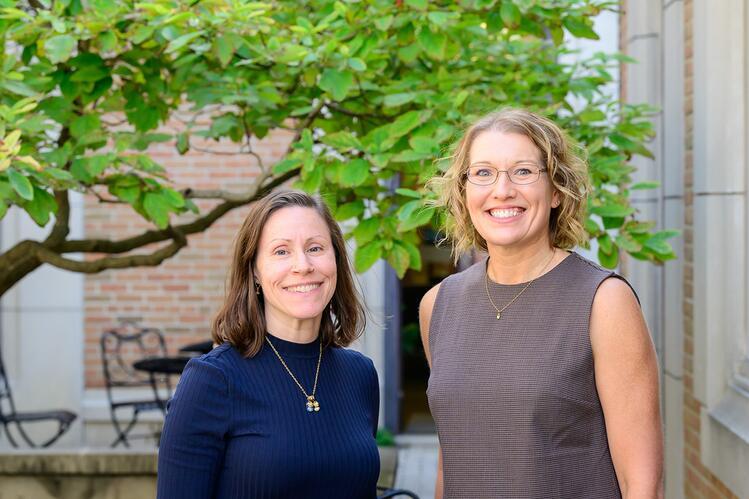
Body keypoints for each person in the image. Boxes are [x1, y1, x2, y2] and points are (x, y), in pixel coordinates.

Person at [421, 108, 663, 499]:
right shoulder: (438, 304)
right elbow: (452, 459)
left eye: (523, 171)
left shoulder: (603, 301)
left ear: (555, 191)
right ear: (464, 192)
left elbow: (642, 484)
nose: (502, 190)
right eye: (483, 173)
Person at [157, 190, 380, 498]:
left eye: (315, 248)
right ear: (255, 271)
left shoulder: (360, 375)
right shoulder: (212, 381)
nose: (303, 265)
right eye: (281, 252)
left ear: (336, 261)